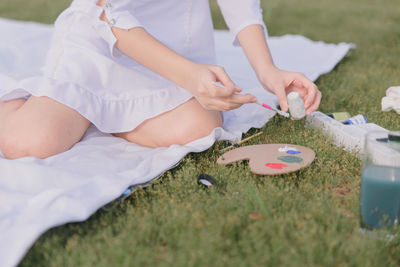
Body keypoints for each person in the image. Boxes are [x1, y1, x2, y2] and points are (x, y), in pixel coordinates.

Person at [0, 0, 321, 159]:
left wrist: (267, 70)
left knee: (201, 126)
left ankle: (95, 113)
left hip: (172, 45)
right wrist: (190, 76)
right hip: (98, 41)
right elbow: (106, 12)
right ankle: (31, 101)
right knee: (30, 143)